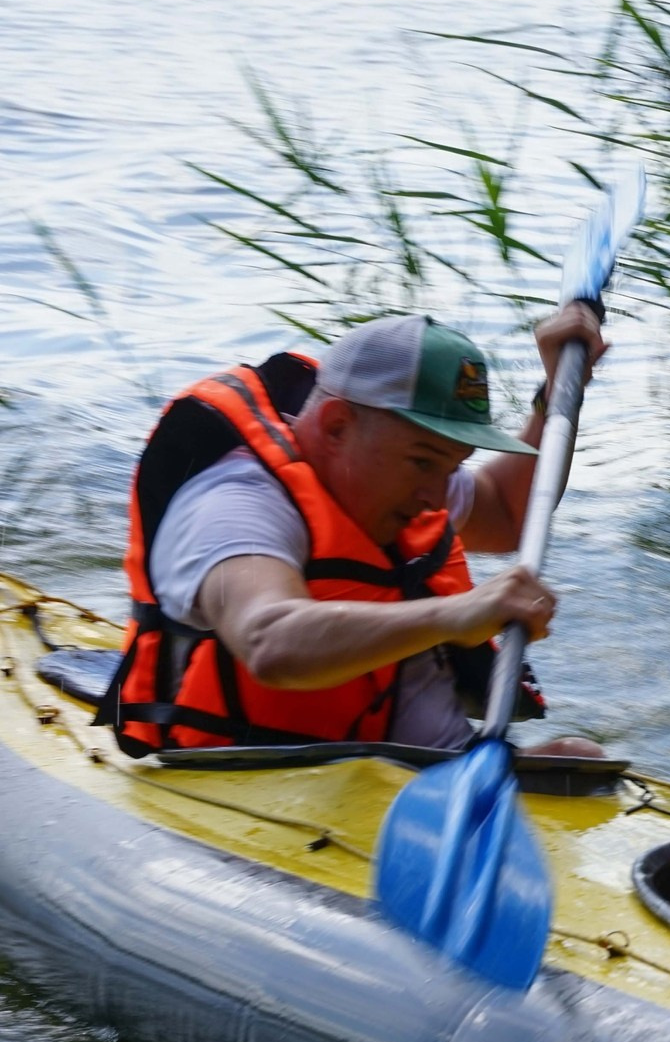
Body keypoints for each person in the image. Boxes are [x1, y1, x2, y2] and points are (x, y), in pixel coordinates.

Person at [100, 307, 609, 758]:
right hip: (246, 780)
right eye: (423, 462)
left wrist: (557, 391)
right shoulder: (237, 504)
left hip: (413, 774)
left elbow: (504, 512)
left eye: (453, 465)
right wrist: (454, 615)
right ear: (336, 426)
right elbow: (269, 641)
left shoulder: (394, 475)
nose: (438, 497)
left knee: (581, 758)